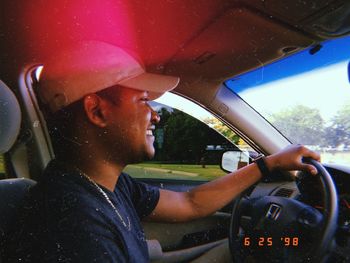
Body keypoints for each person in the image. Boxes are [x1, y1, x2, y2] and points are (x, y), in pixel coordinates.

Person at [4, 41, 320, 262]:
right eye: (143, 101)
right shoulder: (73, 225)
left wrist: (268, 164)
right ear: (97, 111)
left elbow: (190, 202)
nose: (156, 115)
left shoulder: (106, 184)